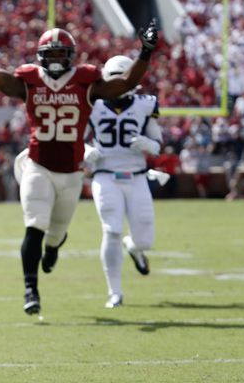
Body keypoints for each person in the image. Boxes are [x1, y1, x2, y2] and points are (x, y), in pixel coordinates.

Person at [0, 18, 158, 315]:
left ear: (69, 57)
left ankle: (52, 248)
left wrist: (145, 52)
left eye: (58, 54)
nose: (53, 59)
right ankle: (31, 290)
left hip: (72, 173)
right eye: (49, 54)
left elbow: (126, 83)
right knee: (34, 226)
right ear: (40, 56)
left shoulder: (86, 82)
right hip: (38, 165)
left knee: (55, 234)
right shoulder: (30, 80)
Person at [83, 55, 163, 308]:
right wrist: (85, 151)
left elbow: (159, 144)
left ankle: (134, 248)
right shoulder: (92, 104)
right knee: (112, 229)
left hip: (137, 176)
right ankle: (114, 292)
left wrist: (149, 144)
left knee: (145, 240)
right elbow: (75, 138)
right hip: (105, 174)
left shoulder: (145, 104)